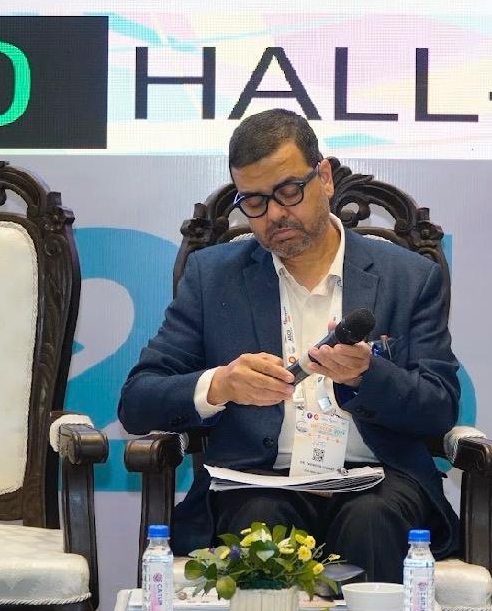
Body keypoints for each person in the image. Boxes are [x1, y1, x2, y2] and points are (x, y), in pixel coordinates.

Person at [118, 108, 461, 582]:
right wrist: (219, 385)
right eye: (255, 201)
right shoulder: (213, 277)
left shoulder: (409, 277)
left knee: (371, 519)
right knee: (262, 523)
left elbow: (439, 408)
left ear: (324, 177)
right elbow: (137, 402)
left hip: (377, 479)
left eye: (288, 191)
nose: (275, 214)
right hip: (259, 483)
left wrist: (367, 376)